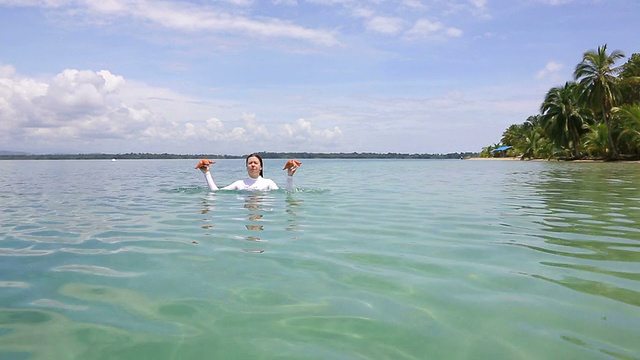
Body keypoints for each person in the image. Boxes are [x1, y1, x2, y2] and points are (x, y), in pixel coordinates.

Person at [196, 153, 300, 191]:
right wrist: (207, 173)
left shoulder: (268, 183)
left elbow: (287, 194)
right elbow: (216, 192)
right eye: (250, 163)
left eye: (256, 163)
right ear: (246, 167)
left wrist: (290, 176)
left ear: (261, 168)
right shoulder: (239, 183)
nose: (253, 165)